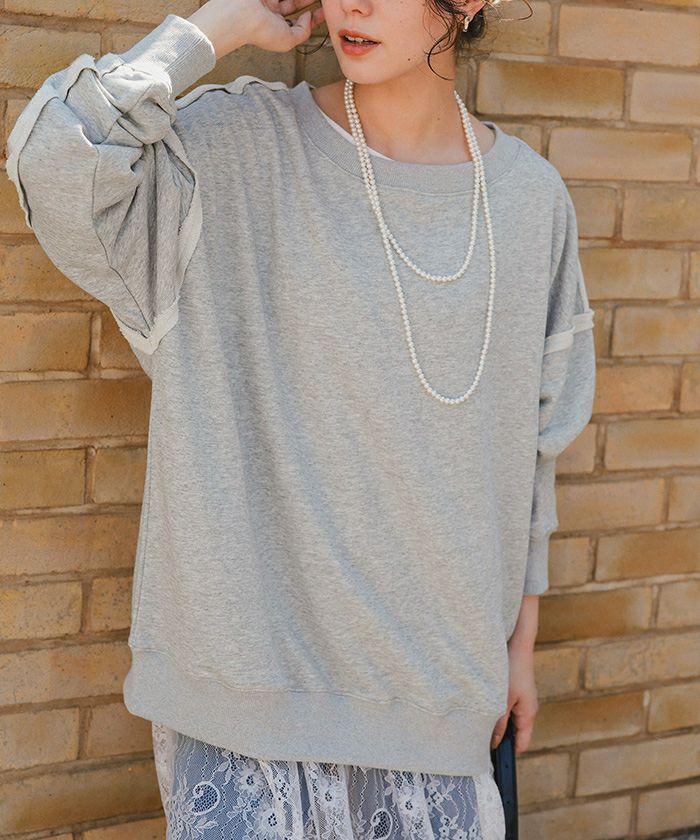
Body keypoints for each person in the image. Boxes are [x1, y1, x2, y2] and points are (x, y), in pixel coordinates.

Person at [5, 0, 596, 837]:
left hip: (442, 704)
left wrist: (520, 648)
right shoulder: (234, 149)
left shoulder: (532, 201)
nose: (353, 2)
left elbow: (535, 443)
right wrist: (212, 29)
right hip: (246, 710)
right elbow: (54, 157)